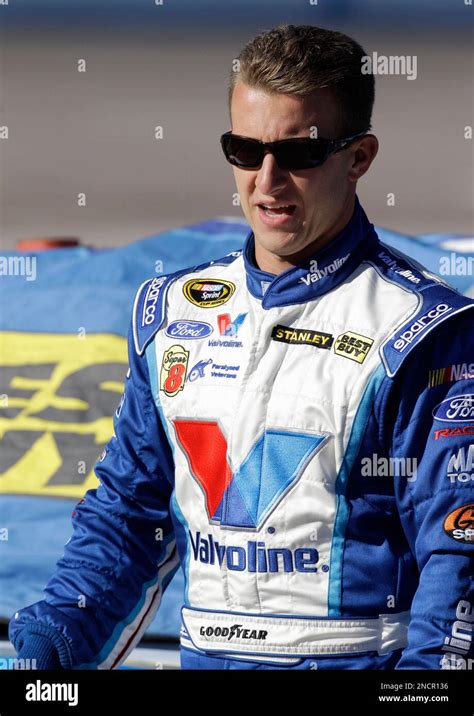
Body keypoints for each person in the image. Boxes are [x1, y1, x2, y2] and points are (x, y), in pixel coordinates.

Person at [10, 24, 473, 671]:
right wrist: (49, 651)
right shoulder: (168, 314)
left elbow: (458, 562)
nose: (267, 181)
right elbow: (128, 525)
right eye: (244, 149)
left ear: (359, 156)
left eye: (299, 154)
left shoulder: (423, 334)